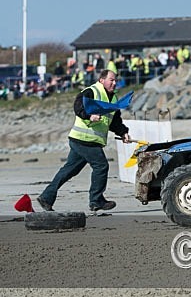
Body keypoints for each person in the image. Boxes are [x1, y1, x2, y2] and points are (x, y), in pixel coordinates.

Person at [37, 69, 132, 211]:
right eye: (111, 80)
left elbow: (115, 121)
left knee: (69, 170)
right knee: (101, 166)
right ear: (101, 80)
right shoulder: (91, 91)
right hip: (85, 139)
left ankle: (46, 197)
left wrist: (123, 132)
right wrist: (89, 116)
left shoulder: (113, 98)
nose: (114, 83)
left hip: (85, 140)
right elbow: (78, 106)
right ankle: (96, 200)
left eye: (115, 80)